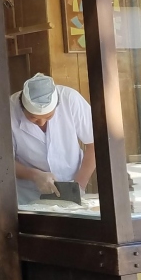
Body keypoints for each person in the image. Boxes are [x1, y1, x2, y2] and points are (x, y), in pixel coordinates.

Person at [11, 73, 96, 202]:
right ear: (22, 108)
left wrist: (79, 186)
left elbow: (95, 145)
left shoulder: (70, 100)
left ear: (57, 105)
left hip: (73, 184)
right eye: (33, 118)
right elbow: (2, 161)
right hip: (28, 195)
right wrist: (34, 175)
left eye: (48, 116)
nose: (41, 123)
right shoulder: (9, 111)